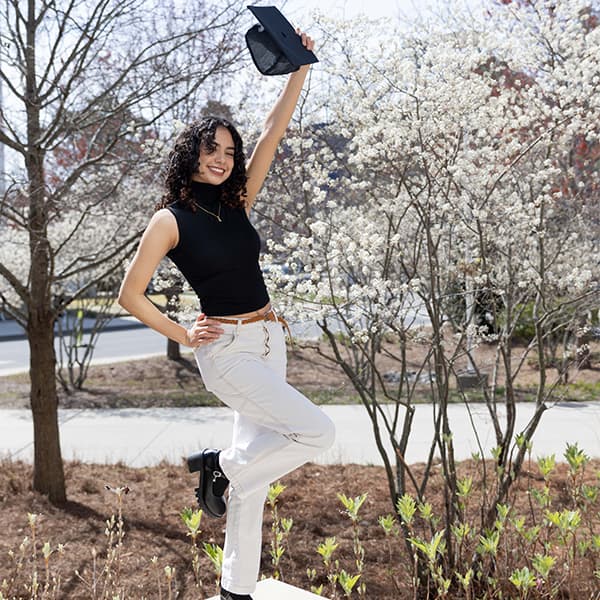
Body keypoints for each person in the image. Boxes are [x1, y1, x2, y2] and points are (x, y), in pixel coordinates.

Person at [118, 30, 335, 600]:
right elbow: (130, 294)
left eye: (228, 152)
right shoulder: (168, 220)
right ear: (190, 154)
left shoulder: (238, 202)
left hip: (270, 339)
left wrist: (299, 68)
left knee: (254, 486)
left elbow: (273, 131)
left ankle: (236, 588)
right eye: (211, 150)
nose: (221, 159)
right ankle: (223, 464)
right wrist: (183, 333)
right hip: (228, 351)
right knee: (316, 430)